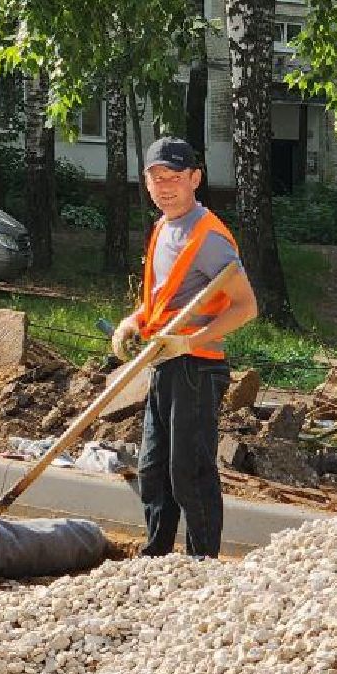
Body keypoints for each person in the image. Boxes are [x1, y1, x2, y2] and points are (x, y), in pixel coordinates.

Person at [110, 137, 259, 559]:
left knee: (189, 472)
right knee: (154, 470)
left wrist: (189, 341)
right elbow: (162, 298)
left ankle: (201, 563)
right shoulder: (162, 227)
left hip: (197, 366)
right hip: (165, 364)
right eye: (156, 179)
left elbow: (247, 307)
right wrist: (134, 320)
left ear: (195, 178)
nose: (165, 187)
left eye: (174, 178)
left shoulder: (210, 237)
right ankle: (156, 557)